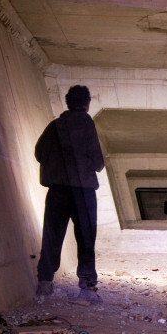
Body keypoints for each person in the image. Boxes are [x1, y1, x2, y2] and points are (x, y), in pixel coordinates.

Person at [34, 85, 105, 302]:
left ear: (67, 102)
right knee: (85, 238)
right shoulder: (86, 123)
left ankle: (45, 282)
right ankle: (87, 285)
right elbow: (98, 162)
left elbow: (39, 153)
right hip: (82, 192)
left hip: (57, 190)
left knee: (52, 236)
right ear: (87, 104)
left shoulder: (55, 125)